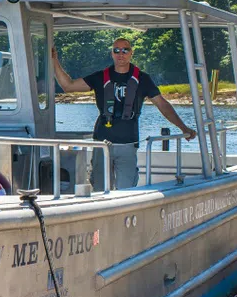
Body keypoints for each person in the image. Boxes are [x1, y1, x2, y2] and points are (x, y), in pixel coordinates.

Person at [52, 38, 197, 189]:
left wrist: (183, 128)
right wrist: (54, 60)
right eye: (116, 50)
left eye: (125, 50)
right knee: (100, 190)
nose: (121, 54)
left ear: (131, 53)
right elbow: (68, 86)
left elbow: (162, 105)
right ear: (112, 54)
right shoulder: (100, 77)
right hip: (102, 144)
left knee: (126, 190)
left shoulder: (143, 79)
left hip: (127, 145)